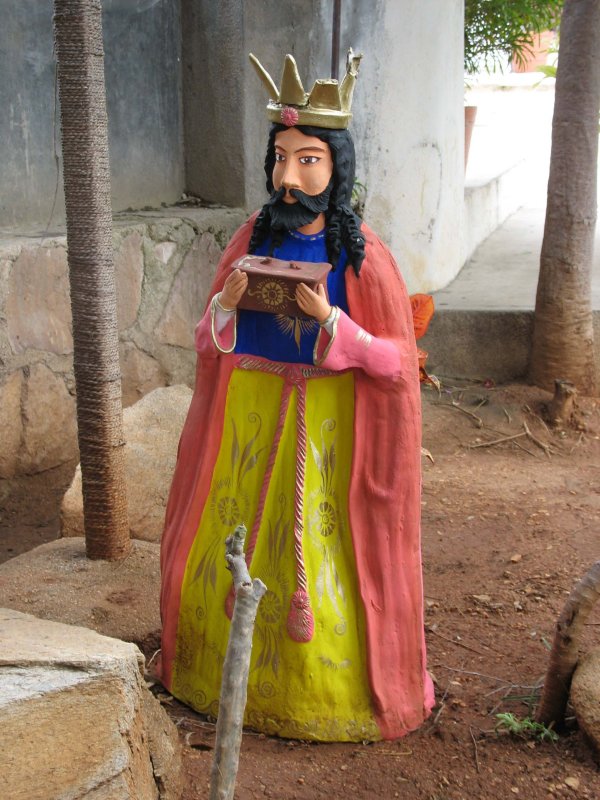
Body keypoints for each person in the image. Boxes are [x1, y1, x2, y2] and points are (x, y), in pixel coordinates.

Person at [159, 49, 435, 742]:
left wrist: (333, 327)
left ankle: (327, 696)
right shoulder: (250, 237)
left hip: (332, 429)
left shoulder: (363, 255)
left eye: (307, 159)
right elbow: (205, 337)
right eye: (281, 158)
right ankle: (217, 675)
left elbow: (398, 362)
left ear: (335, 166)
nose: (289, 176)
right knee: (235, 543)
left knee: (322, 553)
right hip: (248, 425)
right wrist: (224, 305)